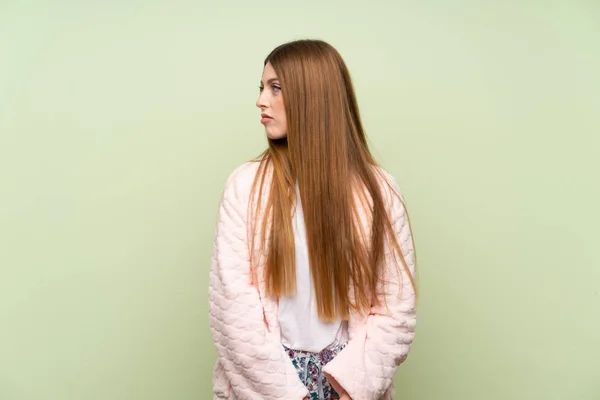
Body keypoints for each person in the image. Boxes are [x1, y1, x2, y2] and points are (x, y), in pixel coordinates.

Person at [209, 39, 417, 400]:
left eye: (276, 88)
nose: (261, 100)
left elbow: (395, 310)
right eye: (261, 88)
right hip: (268, 382)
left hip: (348, 381)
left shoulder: (379, 191)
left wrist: (351, 390)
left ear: (313, 96)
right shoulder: (244, 187)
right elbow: (234, 312)